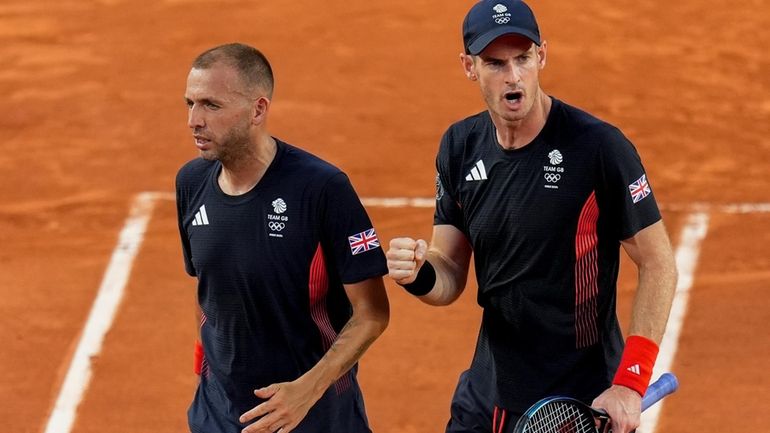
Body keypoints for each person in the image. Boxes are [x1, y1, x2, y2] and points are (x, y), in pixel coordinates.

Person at [386, 1, 678, 432]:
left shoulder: (597, 149)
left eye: (523, 58)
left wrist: (631, 382)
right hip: (488, 392)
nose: (513, 76)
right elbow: (447, 268)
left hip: (578, 401)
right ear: (469, 67)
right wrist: (418, 275)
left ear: (542, 56)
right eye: (495, 63)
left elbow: (658, 262)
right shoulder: (459, 146)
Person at [176, 42, 390, 433]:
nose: (194, 120)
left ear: (258, 109)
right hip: (219, 417)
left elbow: (373, 313)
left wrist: (307, 391)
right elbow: (207, 287)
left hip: (315, 418)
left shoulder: (322, 189)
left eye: (211, 105)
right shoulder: (191, 183)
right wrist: (204, 368)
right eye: (189, 103)